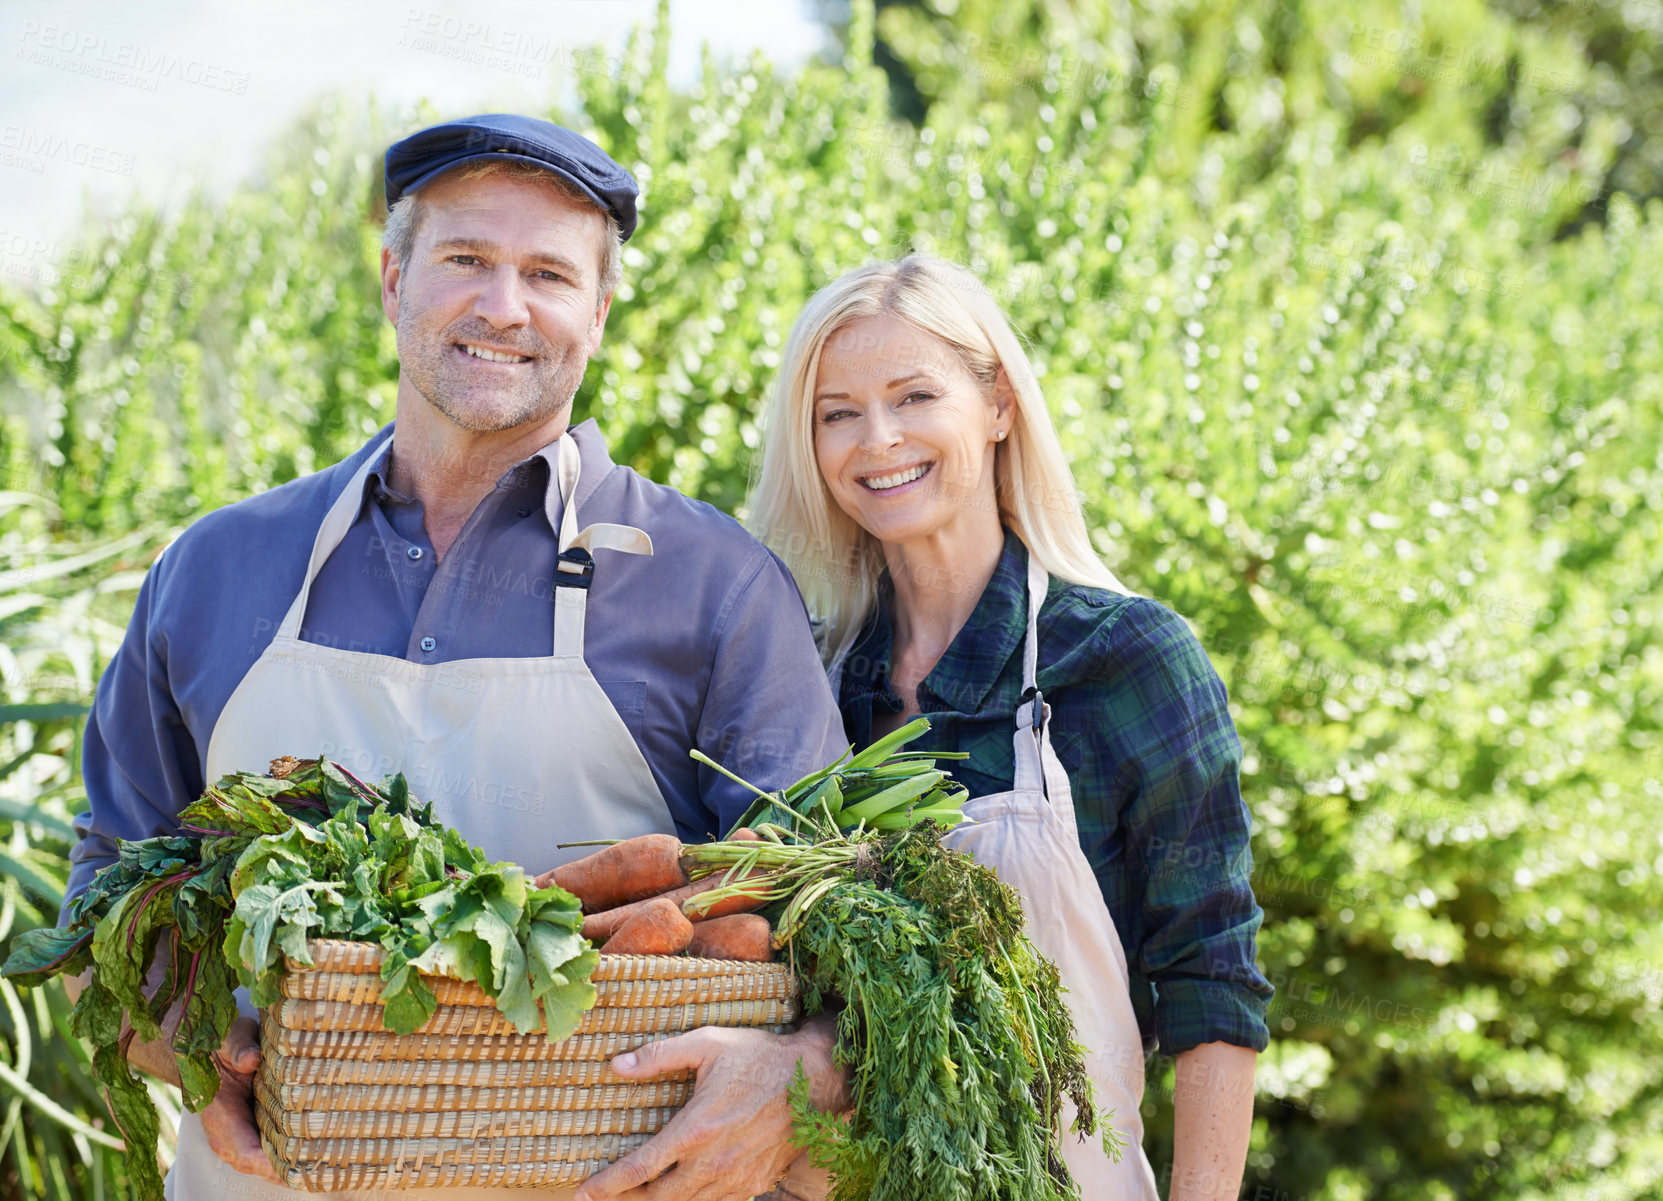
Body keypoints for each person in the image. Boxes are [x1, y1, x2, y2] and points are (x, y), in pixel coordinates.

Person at [63, 114, 849, 1201]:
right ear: (394, 281)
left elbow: (842, 942)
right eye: (466, 260)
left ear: (600, 311)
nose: (503, 306)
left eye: (548, 274)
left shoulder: (714, 585)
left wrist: (790, 1073)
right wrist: (191, 1044)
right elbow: (109, 889)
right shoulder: (216, 569)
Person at [747, 254, 1275, 1201]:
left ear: (997, 406)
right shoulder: (812, 681)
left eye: (914, 396)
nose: (878, 440)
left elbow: (1211, 984)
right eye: (837, 412)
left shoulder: (1123, 659)